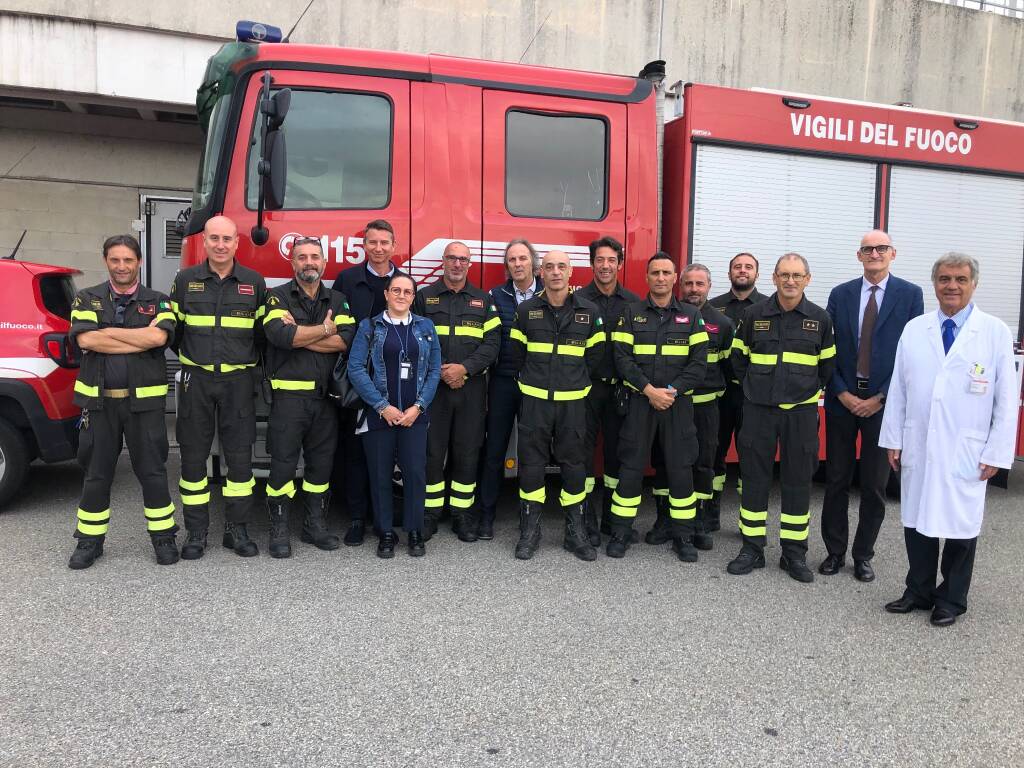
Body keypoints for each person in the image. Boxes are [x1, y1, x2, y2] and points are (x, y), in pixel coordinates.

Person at [879, 253, 1017, 627]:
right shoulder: (915, 329)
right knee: (916, 518)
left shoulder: (993, 331)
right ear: (934, 284)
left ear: (974, 284)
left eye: (959, 279)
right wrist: (894, 437)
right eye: (943, 279)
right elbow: (899, 388)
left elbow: (1006, 399)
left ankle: (951, 598)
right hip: (918, 442)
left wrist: (997, 451)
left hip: (967, 447)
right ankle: (918, 590)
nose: (951, 286)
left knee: (960, 524)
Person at [66, 235, 179, 569]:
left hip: (143, 406)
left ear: (139, 262)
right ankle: (89, 543)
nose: (122, 266)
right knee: (96, 475)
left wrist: (107, 335)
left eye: (128, 260)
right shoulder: (86, 298)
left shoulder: (158, 301)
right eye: (115, 260)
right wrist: (138, 338)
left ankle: (163, 539)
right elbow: (85, 339)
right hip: (100, 405)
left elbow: (159, 337)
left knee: (153, 473)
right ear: (106, 261)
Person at [819, 231, 924, 581]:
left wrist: (880, 396)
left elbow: (912, 353)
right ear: (859, 255)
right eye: (868, 249)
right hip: (842, 400)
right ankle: (835, 552)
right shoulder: (841, 294)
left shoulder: (910, 295)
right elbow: (827, 350)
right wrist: (842, 393)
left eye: (881, 248)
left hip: (885, 403)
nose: (874, 253)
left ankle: (863, 555)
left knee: (875, 485)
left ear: (893, 253)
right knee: (835, 479)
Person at [727, 253, 836, 582]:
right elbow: (738, 359)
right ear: (773, 278)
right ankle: (752, 549)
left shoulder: (819, 319)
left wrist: (801, 392)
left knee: (798, 482)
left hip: (800, 415)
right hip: (758, 412)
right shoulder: (753, 314)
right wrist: (755, 391)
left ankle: (794, 553)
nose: (790, 281)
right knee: (755, 480)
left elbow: (826, 368)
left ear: (808, 279)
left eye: (797, 275)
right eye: (784, 275)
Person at [170, 215, 267, 559]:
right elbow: (173, 333)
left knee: (240, 460)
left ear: (237, 243)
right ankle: (196, 532)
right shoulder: (185, 280)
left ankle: (236, 530)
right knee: (193, 459)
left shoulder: (254, 283)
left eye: (227, 239)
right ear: (206, 242)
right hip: (196, 379)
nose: (221, 245)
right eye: (214, 238)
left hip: (238, 381)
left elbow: (262, 337)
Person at [261, 236, 356, 558]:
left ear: (324, 262)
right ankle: (279, 530)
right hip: (288, 399)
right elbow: (279, 336)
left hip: (326, 400)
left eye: (314, 256)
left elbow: (346, 341)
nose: (309, 262)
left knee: (320, 468)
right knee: (283, 467)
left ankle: (314, 526)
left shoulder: (338, 299)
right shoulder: (275, 297)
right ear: (292, 262)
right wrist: (323, 330)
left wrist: (301, 333)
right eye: (302, 257)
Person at [506, 250, 604, 561]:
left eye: (561, 266)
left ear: (571, 272)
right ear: (541, 273)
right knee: (531, 467)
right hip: (535, 402)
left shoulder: (590, 312)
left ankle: (574, 533)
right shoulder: (526, 311)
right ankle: (530, 531)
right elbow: (515, 355)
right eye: (549, 267)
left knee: (575, 468)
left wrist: (573, 382)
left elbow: (596, 358)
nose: (556, 272)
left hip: (573, 404)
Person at [610, 254, 708, 561]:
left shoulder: (692, 316)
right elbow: (622, 358)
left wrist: (672, 391)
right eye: (655, 273)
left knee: (681, 471)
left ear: (675, 277)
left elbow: (699, 364)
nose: (661, 278)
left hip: (676, 405)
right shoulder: (631, 312)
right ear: (647, 277)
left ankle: (683, 536)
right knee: (630, 468)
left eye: (666, 272)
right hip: (641, 402)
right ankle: (621, 533)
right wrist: (649, 390)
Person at [348, 273, 441, 558]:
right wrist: (381, 406)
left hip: (415, 416)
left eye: (408, 292)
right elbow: (356, 368)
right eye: (396, 290)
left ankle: (414, 531)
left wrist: (419, 407)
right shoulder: (369, 327)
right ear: (386, 294)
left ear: (414, 297)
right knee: (380, 475)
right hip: (379, 415)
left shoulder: (426, 326)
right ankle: (385, 531)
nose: (402, 296)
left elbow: (435, 370)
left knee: (414, 474)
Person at [412, 241, 500, 542]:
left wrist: (464, 369)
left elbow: (493, 344)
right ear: (443, 262)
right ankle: (430, 513)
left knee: (467, 452)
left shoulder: (483, 300)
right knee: (431, 452)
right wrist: (441, 371)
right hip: (432, 390)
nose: (457, 264)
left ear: (470, 264)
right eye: (452, 258)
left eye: (463, 259)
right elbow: (414, 339)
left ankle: (463, 514)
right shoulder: (424, 297)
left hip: (470, 388)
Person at [332, 219, 408, 546]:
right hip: (358, 380)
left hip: (395, 384)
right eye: (372, 242)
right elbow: (336, 325)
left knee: (388, 454)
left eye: (384, 243)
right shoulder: (347, 280)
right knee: (355, 452)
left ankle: (384, 520)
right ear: (364, 245)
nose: (378, 248)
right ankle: (356, 519)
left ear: (394, 246)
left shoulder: (405, 283)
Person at [648, 263, 734, 551]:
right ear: (679, 285)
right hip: (670, 404)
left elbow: (728, 366)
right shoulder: (668, 317)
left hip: (705, 407)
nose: (693, 289)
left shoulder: (722, 325)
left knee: (702, 463)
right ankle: (664, 520)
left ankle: (698, 521)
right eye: (689, 284)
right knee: (663, 461)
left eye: (700, 284)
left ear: (709, 286)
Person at [575, 236, 640, 546]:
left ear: (620, 263)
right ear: (592, 263)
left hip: (620, 391)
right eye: (599, 260)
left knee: (617, 454)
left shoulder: (633, 303)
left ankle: (613, 519)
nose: (605, 265)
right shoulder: (579, 301)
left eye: (611, 260)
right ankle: (586, 518)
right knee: (583, 454)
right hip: (587, 390)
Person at [478, 239, 542, 539]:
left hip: (536, 383)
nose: (517, 264)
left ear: (533, 263)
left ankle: (528, 519)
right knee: (495, 449)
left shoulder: (549, 293)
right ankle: (486, 515)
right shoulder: (495, 295)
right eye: (512, 260)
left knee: (532, 452)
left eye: (522, 259)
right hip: (503, 381)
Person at [706, 253, 767, 531]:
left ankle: (748, 517)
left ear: (757, 273)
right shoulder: (713, 307)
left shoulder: (769, 307)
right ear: (729, 272)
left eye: (748, 267)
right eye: (737, 267)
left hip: (754, 397)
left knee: (751, 456)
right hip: (721, 393)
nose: (742, 271)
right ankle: (711, 512)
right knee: (714, 452)